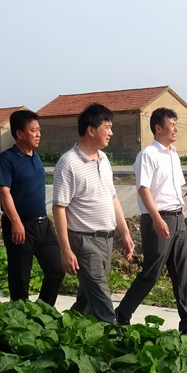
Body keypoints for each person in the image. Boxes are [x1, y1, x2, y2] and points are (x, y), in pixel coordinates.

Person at [115, 108, 187, 334]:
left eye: (176, 124)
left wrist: (180, 212)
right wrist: (157, 219)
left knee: (181, 272)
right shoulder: (148, 155)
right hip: (158, 219)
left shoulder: (173, 154)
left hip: (177, 217)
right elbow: (143, 189)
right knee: (152, 272)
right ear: (158, 128)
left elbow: (175, 187)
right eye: (171, 124)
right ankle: (122, 314)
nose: (175, 129)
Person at [52, 103, 134, 324]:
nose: (111, 132)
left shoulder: (104, 160)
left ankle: (65, 329)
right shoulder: (68, 163)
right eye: (107, 127)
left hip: (106, 239)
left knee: (88, 298)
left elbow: (113, 198)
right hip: (84, 240)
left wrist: (125, 233)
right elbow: (59, 208)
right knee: (101, 297)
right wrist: (66, 250)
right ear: (91, 130)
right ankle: (116, 335)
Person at [0, 109, 64, 305]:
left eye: (39, 130)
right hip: (20, 225)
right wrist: (16, 222)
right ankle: (21, 315)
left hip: (42, 223)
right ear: (19, 133)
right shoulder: (6, 159)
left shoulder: (36, 156)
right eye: (33, 130)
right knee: (20, 278)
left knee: (57, 269)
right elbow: (4, 192)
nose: (38, 134)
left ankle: (42, 309)